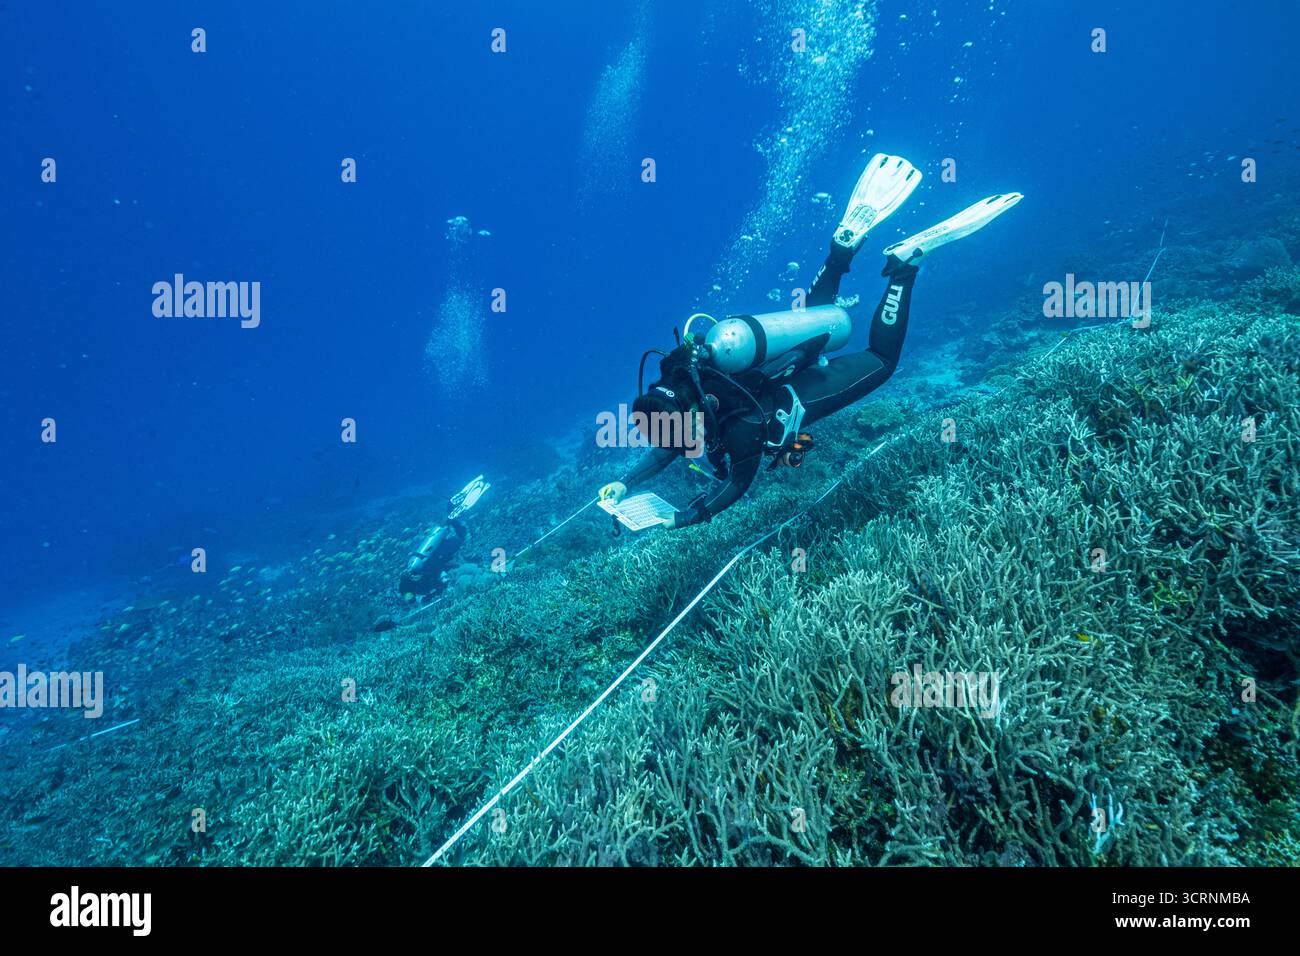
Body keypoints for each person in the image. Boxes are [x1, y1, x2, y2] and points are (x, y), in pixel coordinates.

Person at [599, 153, 1021, 528]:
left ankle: (904, 266)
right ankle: (841, 250)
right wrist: (624, 482)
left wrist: (687, 517)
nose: (673, 441)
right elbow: (667, 449)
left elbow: (735, 487)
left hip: (801, 387)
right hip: (779, 359)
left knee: (881, 360)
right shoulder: (694, 375)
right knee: (815, 320)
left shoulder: (739, 431)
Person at [398, 475, 489, 601]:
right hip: (433, 550)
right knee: (448, 529)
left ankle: (452, 517)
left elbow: (439, 576)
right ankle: (450, 509)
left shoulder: (419, 586)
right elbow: (406, 584)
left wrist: (433, 594)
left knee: (460, 537)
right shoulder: (408, 578)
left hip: (441, 553)